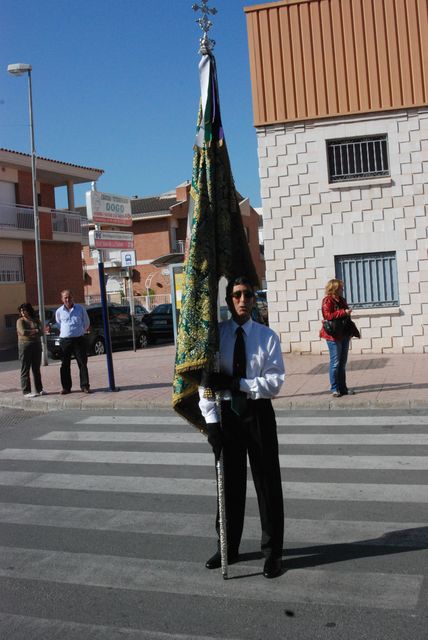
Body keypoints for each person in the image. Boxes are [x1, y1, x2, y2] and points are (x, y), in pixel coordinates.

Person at [199, 276, 285, 579]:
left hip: (258, 413)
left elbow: (275, 382)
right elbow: (206, 386)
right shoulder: (216, 336)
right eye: (237, 294)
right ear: (228, 300)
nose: (243, 300)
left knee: (267, 483)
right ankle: (228, 547)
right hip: (227, 417)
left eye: (248, 294)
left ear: (254, 299)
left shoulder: (267, 336)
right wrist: (211, 425)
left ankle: (273, 553)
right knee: (229, 485)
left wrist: (239, 383)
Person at [320, 278, 355, 397]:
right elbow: (327, 316)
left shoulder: (342, 300)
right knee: (335, 362)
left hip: (344, 333)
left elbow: (345, 316)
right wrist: (343, 312)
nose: (343, 289)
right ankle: (334, 388)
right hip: (333, 335)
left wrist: (350, 330)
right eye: (341, 287)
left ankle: (343, 388)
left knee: (342, 363)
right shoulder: (327, 301)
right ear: (334, 288)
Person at [55, 289, 91, 394]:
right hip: (65, 341)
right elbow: (58, 324)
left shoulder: (80, 308)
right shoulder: (59, 311)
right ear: (62, 299)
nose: (68, 299)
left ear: (72, 297)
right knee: (65, 364)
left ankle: (85, 386)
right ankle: (66, 388)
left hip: (78, 340)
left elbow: (86, 322)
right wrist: (67, 332)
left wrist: (79, 331)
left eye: (69, 297)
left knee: (82, 363)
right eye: (65, 297)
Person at [16, 303, 45, 397]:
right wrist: (35, 331)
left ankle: (39, 389)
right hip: (24, 346)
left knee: (36, 368)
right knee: (25, 368)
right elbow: (23, 332)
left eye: (24, 310)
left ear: (29, 310)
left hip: (36, 345)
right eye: (21, 310)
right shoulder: (20, 321)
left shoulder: (35, 320)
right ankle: (26, 391)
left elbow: (41, 332)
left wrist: (36, 331)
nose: (23, 312)